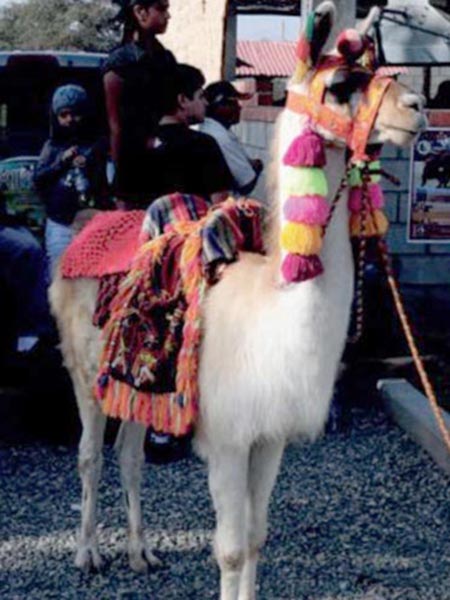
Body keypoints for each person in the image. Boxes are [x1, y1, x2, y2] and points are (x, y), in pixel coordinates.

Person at [103, 0, 177, 203]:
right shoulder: (121, 63)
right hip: (134, 168)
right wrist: (122, 185)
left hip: (166, 164)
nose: (167, 16)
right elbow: (115, 126)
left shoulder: (165, 59)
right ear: (140, 12)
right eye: (161, 9)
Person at [34, 84, 110, 274]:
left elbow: (107, 181)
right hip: (60, 224)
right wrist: (62, 161)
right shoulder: (51, 147)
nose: (70, 120)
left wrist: (90, 161)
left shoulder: (99, 143)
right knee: (58, 275)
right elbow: (39, 178)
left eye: (75, 114)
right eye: (64, 115)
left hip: (91, 223)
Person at [148, 64, 234, 203]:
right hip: (192, 224)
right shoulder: (203, 145)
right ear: (182, 100)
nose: (206, 103)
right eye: (201, 96)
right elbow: (221, 208)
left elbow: (123, 206)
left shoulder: (136, 145)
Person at [199, 80, 264, 195]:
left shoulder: (213, 130)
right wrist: (258, 166)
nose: (239, 108)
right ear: (220, 106)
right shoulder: (221, 138)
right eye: (234, 103)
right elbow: (246, 184)